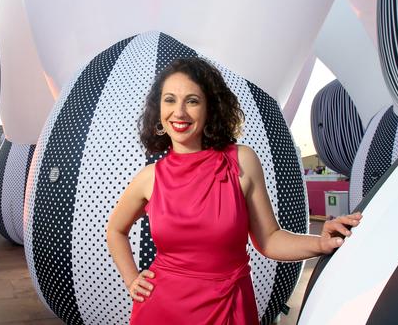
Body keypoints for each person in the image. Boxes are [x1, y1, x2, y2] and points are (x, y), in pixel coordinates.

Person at [106, 57, 362, 324]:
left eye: (192, 101)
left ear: (210, 109)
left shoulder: (242, 161)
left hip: (228, 308)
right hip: (161, 310)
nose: (179, 112)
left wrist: (320, 243)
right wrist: (132, 278)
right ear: (158, 110)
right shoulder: (149, 178)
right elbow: (115, 230)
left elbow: (270, 239)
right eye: (170, 100)